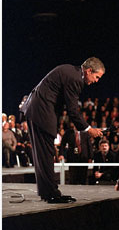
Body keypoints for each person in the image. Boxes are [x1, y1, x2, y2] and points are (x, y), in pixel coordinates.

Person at [20, 57, 105, 203]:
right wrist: (89, 129)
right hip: (41, 112)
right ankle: (52, 193)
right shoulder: (76, 79)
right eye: (97, 77)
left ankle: (47, 192)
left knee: (42, 155)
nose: (96, 81)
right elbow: (73, 111)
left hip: (36, 110)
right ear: (89, 71)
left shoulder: (71, 71)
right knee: (46, 154)